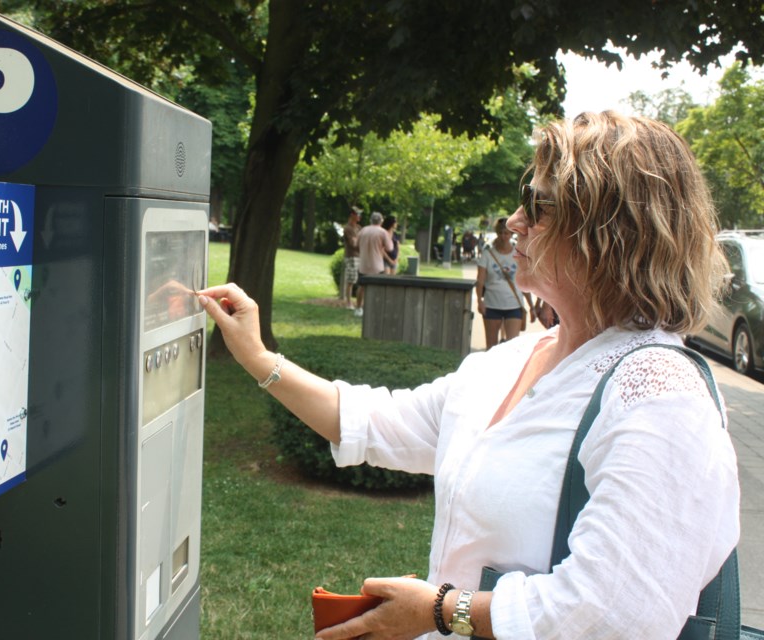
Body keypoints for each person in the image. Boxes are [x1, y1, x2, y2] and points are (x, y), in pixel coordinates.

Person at [198, 111, 739, 640]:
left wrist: (440, 610)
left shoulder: (659, 395)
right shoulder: (512, 360)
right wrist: (257, 357)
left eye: (538, 205)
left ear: (612, 233)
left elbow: (616, 617)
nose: (512, 221)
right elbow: (372, 422)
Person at [476, 217, 533, 349]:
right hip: (492, 304)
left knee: (512, 347)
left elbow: (524, 281)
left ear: (511, 234)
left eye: (506, 233)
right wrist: (479, 300)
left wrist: (531, 306)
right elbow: (480, 281)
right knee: (491, 347)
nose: (503, 236)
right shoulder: (487, 254)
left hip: (513, 304)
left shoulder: (518, 254)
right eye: (501, 233)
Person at [355, 211, 393, 317]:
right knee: (378, 288)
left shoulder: (363, 230)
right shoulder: (383, 232)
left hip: (363, 264)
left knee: (361, 287)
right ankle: (375, 308)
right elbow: (390, 248)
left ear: (370, 220)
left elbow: (356, 245)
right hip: (377, 265)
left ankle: (358, 308)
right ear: (381, 221)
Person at [341, 207, 362, 308]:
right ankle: (348, 303)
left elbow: (359, 241)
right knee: (351, 281)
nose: (359, 216)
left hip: (360, 257)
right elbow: (353, 244)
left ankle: (358, 303)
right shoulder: (348, 228)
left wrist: (357, 239)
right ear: (352, 215)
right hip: (351, 257)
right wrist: (358, 240)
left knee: (359, 280)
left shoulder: (358, 228)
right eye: (357, 214)